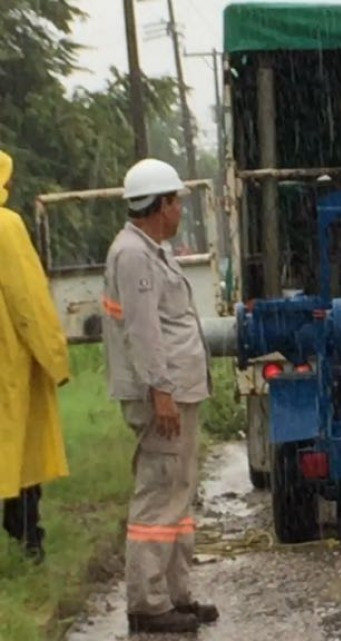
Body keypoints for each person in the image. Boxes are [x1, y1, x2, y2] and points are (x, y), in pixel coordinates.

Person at [102, 159, 217, 635]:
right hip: (162, 396)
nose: (180, 212)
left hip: (175, 391)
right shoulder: (134, 255)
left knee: (177, 493)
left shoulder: (153, 249)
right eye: (176, 203)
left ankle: (174, 594)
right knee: (159, 495)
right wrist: (162, 392)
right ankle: (148, 604)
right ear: (160, 205)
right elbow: (145, 333)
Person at [0, 150, 70, 565]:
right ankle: (28, 540)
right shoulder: (6, 227)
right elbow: (28, 301)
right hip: (8, 364)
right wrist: (54, 358)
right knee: (19, 453)